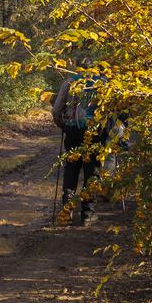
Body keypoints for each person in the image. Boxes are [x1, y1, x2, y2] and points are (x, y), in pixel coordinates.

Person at [52, 64, 102, 225]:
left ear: (79, 69)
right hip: (94, 133)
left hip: (73, 130)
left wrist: (63, 125)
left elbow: (56, 110)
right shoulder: (103, 83)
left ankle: (66, 213)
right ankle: (87, 215)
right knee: (92, 171)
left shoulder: (70, 82)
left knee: (71, 169)